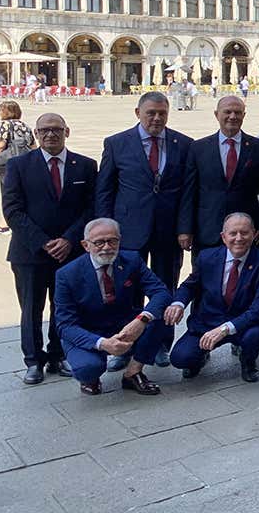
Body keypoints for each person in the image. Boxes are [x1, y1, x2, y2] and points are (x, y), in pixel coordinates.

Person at [95, 91, 193, 369]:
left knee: (165, 287)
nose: (157, 118)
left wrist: (185, 228)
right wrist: (104, 232)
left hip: (167, 230)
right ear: (138, 113)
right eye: (151, 113)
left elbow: (188, 192)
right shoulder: (117, 143)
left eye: (162, 113)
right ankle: (124, 346)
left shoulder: (183, 144)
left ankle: (160, 344)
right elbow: (105, 190)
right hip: (128, 231)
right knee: (126, 291)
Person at [2, 113, 95, 384]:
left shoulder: (85, 166)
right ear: (36, 133)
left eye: (56, 130)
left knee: (64, 306)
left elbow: (90, 208)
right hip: (30, 253)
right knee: (31, 308)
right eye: (44, 131)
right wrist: (43, 243)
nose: (50, 135)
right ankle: (33, 360)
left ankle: (58, 354)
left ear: (67, 131)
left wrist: (68, 240)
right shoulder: (19, 165)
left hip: (71, 251)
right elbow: (12, 210)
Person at [53, 218, 172, 396]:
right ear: (86, 245)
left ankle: (133, 373)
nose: (107, 247)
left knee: (163, 313)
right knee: (88, 368)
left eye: (112, 241)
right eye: (99, 242)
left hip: (123, 325)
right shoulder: (67, 275)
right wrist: (103, 344)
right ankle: (91, 379)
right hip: (89, 331)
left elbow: (161, 293)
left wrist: (142, 319)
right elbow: (64, 326)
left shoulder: (131, 260)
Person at [165, 212, 259, 383]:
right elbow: (189, 286)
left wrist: (225, 329)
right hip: (207, 323)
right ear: (223, 236)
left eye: (244, 233)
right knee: (180, 358)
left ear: (253, 234)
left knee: (256, 335)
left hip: (241, 324)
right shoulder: (207, 257)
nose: (238, 238)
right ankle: (200, 356)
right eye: (233, 233)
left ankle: (248, 361)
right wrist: (178, 303)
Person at [179, 95, 259, 254]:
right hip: (207, 230)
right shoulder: (198, 148)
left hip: (246, 233)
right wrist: (185, 228)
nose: (233, 116)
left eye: (238, 112)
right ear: (216, 114)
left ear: (244, 115)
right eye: (228, 112)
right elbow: (189, 193)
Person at [0, 101, 36, 233]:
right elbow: (33, 146)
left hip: (8, 163)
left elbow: (0, 145)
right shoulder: (24, 125)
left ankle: (6, 222)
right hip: (25, 163)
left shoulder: (4, 124)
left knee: (7, 193)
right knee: (22, 192)